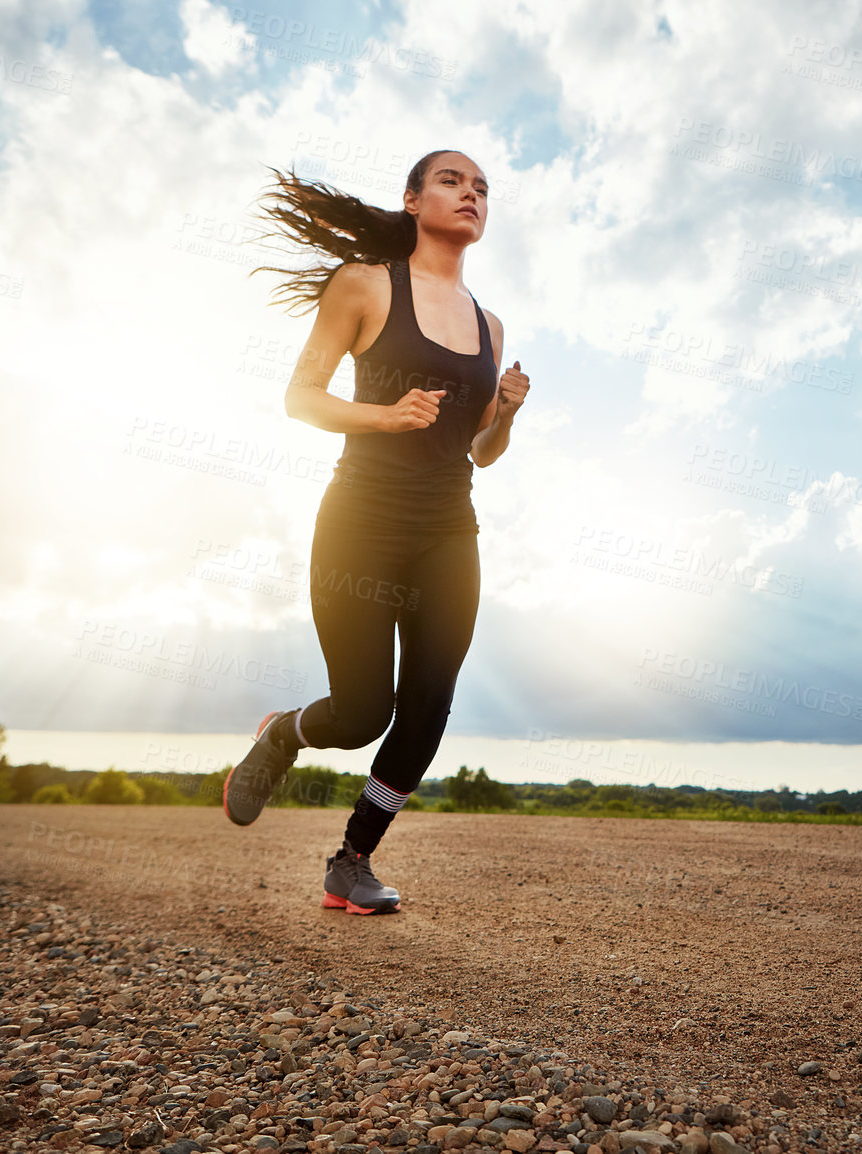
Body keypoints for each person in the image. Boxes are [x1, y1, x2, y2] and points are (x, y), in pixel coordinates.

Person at [224, 149, 530, 915]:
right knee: (363, 712)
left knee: (428, 703)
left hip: (448, 528)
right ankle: (285, 733)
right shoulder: (365, 284)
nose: (471, 195)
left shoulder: (489, 325)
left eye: (482, 189)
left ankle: (351, 860)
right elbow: (301, 397)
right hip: (359, 520)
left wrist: (509, 414)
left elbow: (481, 452)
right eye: (453, 182)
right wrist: (385, 416)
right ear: (413, 198)